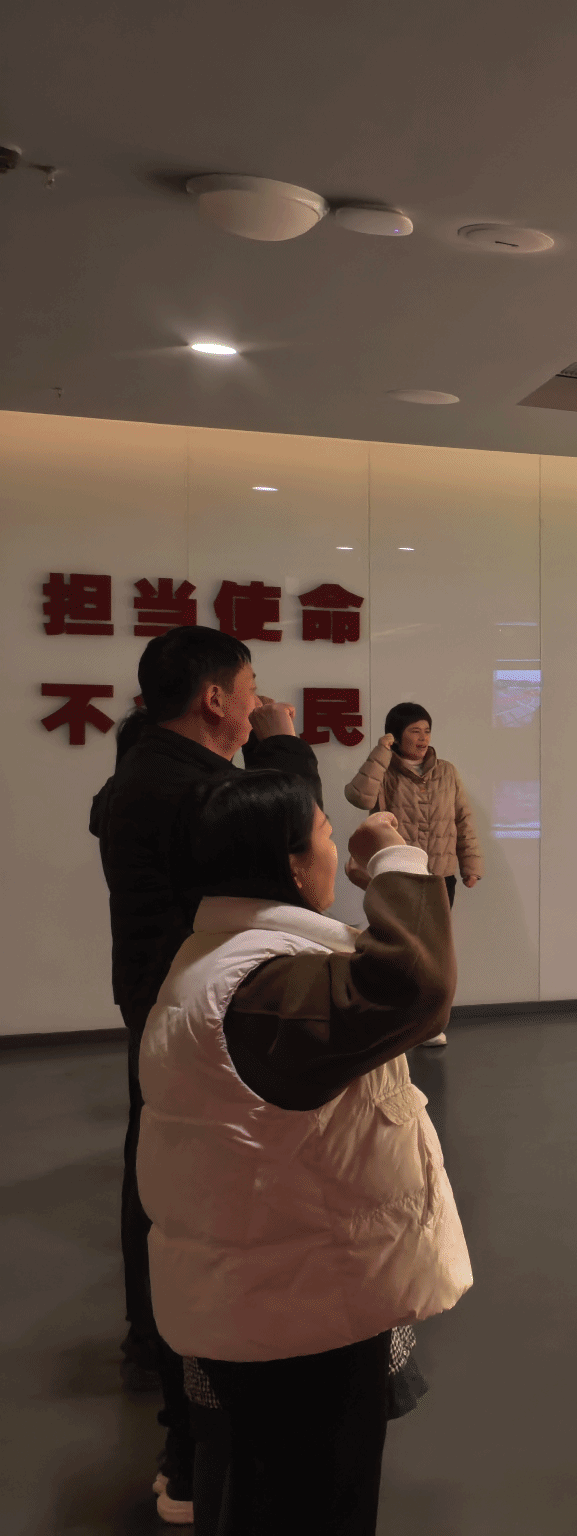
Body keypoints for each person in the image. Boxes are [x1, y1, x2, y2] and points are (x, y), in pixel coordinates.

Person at [138, 779, 470, 1536]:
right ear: (290, 865)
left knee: (261, 1488)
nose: (334, 844)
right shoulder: (260, 987)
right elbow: (416, 987)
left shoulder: (223, 962)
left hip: (265, 1290)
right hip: (295, 1312)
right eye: (324, 831)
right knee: (309, 1499)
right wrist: (392, 859)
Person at [89, 626, 319, 1523]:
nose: (260, 700)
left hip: (165, 1004)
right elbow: (288, 844)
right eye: (250, 685)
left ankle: (178, 1408)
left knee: (167, 1192)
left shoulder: (147, 772)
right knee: (197, 1215)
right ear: (215, 698)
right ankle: (189, 1441)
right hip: (195, 1010)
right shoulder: (185, 786)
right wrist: (282, 748)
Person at [344, 704, 480, 1048]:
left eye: (427, 730)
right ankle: (397, 1020)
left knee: (435, 952)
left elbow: (462, 819)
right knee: (399, 949)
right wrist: (381, 751)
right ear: (396, 735)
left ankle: (429, 1024)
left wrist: (471, 864)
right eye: (414, 731)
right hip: (399, 873)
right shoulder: (385, 771)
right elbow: (358, 796)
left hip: (440, 875)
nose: (423, 738)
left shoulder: (447, 772)